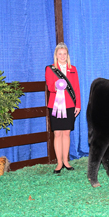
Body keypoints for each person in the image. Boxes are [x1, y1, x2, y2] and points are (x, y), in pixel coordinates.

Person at [45, 42, 81, 173]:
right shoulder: (50, 69)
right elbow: (49, 87)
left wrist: (78, 105)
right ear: (56, 55)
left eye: (64, 54)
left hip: (70, 105)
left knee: (67, 133)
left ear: (67, 55)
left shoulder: (73, 69)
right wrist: (56, 86)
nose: (62, 56)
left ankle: (66, 161)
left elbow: (76, 88)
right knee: (57, 134)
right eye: (59, 54)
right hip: (55, 105)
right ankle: (59, 162)